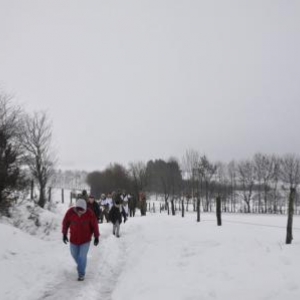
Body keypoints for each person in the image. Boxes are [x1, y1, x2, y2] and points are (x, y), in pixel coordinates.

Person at [62, 198, 100, 281]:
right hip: (74, 239)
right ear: (76, 208)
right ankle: (81, 266)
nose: (80, 212)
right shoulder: (70, 213)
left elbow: (95, 225)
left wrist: (96, 236)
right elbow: (65, 223)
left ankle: (81, 274)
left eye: (82, 210)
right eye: (79, 210)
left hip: (85, 239)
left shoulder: (90, 213)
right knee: (74, 254)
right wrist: (64, 234)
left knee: (82, 256)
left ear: (85, 208)